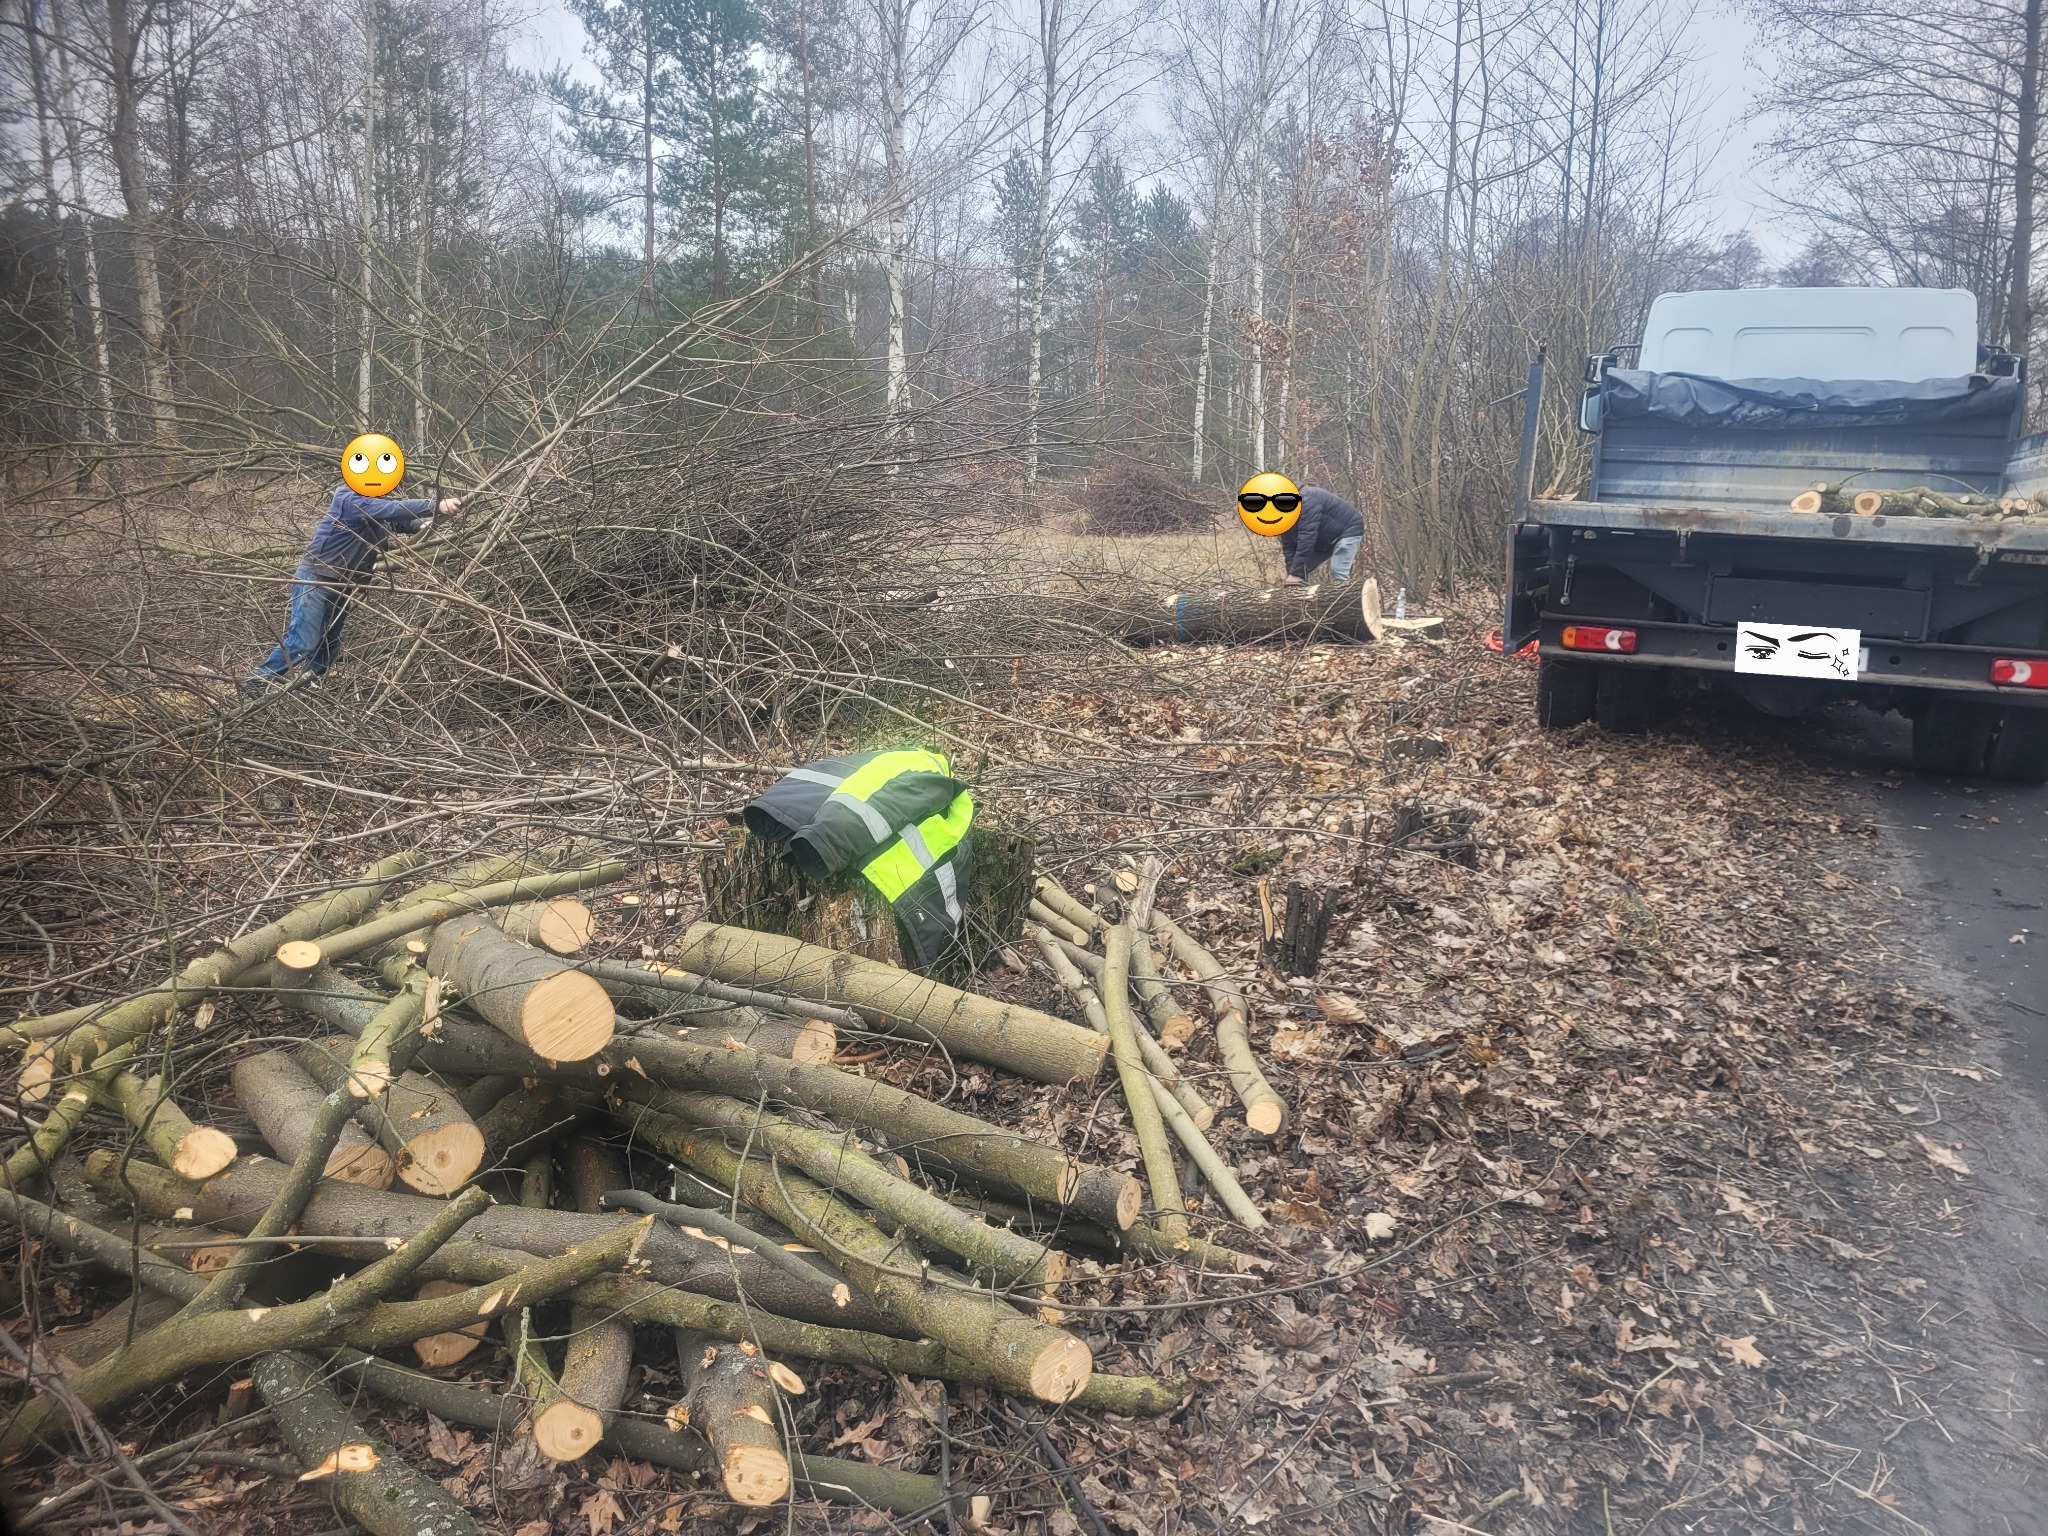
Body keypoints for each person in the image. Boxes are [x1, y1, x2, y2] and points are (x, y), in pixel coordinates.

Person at [242, 476, 461, 694]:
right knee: (303, 643)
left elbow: (400, 520)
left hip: (345, 584)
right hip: (316, 579)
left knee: (328, 646)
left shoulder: (376, 507)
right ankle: (257, 679)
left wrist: (429, 521)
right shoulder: (349, 498)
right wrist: (434, 504)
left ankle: (308, 688)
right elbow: (389, 509)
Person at [1279, 485, 1366, 585]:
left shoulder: (1307, 500)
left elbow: (1307, 537)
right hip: (1325, 538)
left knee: (1338, 571)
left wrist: (1296, 574)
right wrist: (1292, 573)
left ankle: (1345, 598)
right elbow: (1289, 546)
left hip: (1348, 528)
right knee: (1300, 569)